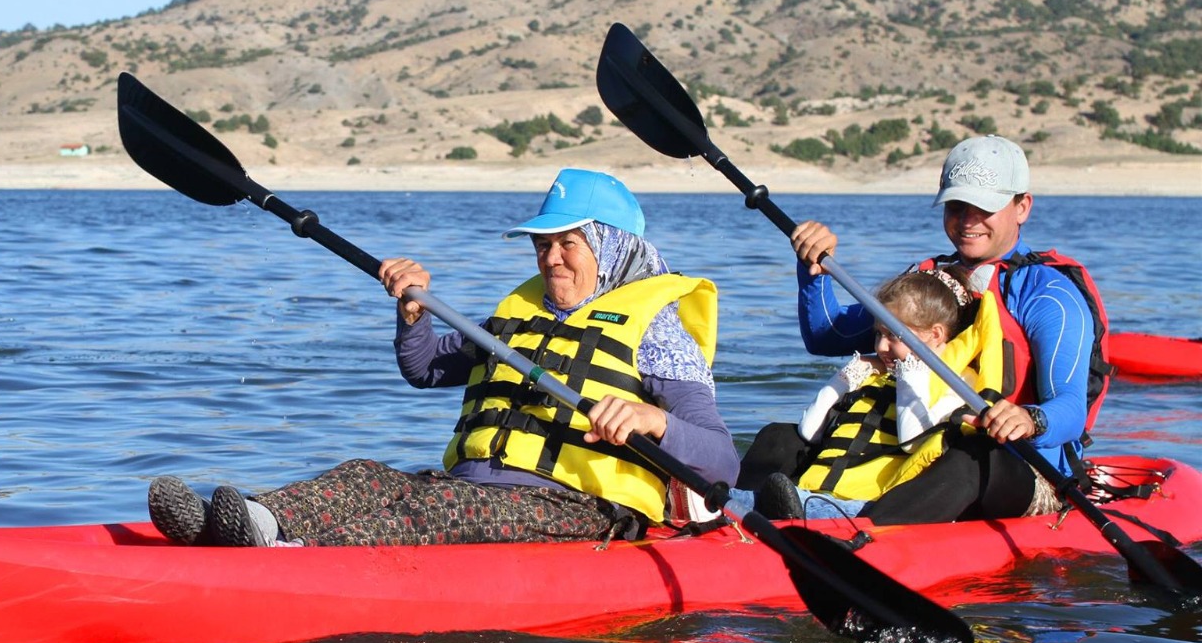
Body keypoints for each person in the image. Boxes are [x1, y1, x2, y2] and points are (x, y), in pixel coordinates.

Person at [147, 168, 739, 547]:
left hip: (575, 509)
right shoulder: (520, 313)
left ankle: (290, 560)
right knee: (366, 476)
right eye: (542, 244)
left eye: (568, 244)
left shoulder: (658, 329)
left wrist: (651, 420)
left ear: (612, 248)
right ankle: (248, 524)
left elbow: (721, 464)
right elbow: (427, 368)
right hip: (469, 486)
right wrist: (413, 316)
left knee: (435, 508)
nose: (550, 259)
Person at [783, 135, 1110, 525]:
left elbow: (1072, 408)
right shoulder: (929, 282)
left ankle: (853, 532)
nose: (968, 220)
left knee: (969, 460)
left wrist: (1030, 419)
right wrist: (813, 269)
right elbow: (828, 337)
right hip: (917, 451)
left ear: (1022, 206)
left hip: (1021, 469)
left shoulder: (1048, 293)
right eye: (957, 206)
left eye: (983, 206)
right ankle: (731, 521)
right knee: (781, 439)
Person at [738, 267, 1000, 520]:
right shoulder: (878, 373)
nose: (881, 346)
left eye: (892, 336)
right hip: (818, 492)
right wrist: (850, 373)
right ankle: (726, 506)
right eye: (878, 334)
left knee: (769, 503)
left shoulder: (960, 382)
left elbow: (912, 441)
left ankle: (753, 512)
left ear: (935, 334)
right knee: (762, 463)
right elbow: (809, 430)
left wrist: (910, 369)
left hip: (868, 506)